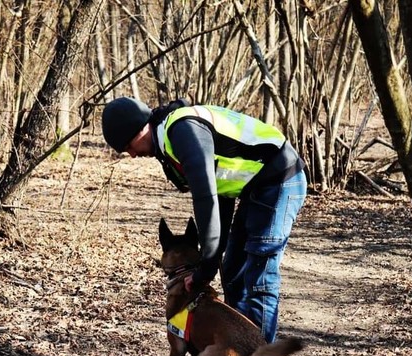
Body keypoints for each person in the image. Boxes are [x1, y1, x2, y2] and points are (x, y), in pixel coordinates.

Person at [101, 97, 306, 343]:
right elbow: (221, 195)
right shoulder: (169, 138)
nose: (132, 154)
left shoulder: (183, 131)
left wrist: (207, 265)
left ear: (140, 128)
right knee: (232, 270)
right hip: (254, 187)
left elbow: (205, 197)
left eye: (129, 146)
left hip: (281, 179)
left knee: (259, 274)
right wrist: (213, 257)